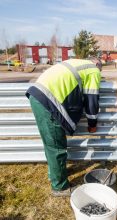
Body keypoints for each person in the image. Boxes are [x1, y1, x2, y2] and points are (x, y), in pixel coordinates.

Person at [25, 57, 102, 197]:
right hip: (48, 100)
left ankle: (54, 174)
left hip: (37, 94)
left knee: (50, 143)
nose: (99, 75)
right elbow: (92, 100)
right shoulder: (93, 70)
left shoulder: (76, 62)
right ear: (97, 64)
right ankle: (60, 187)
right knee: (57, 146)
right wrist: (92, 124)